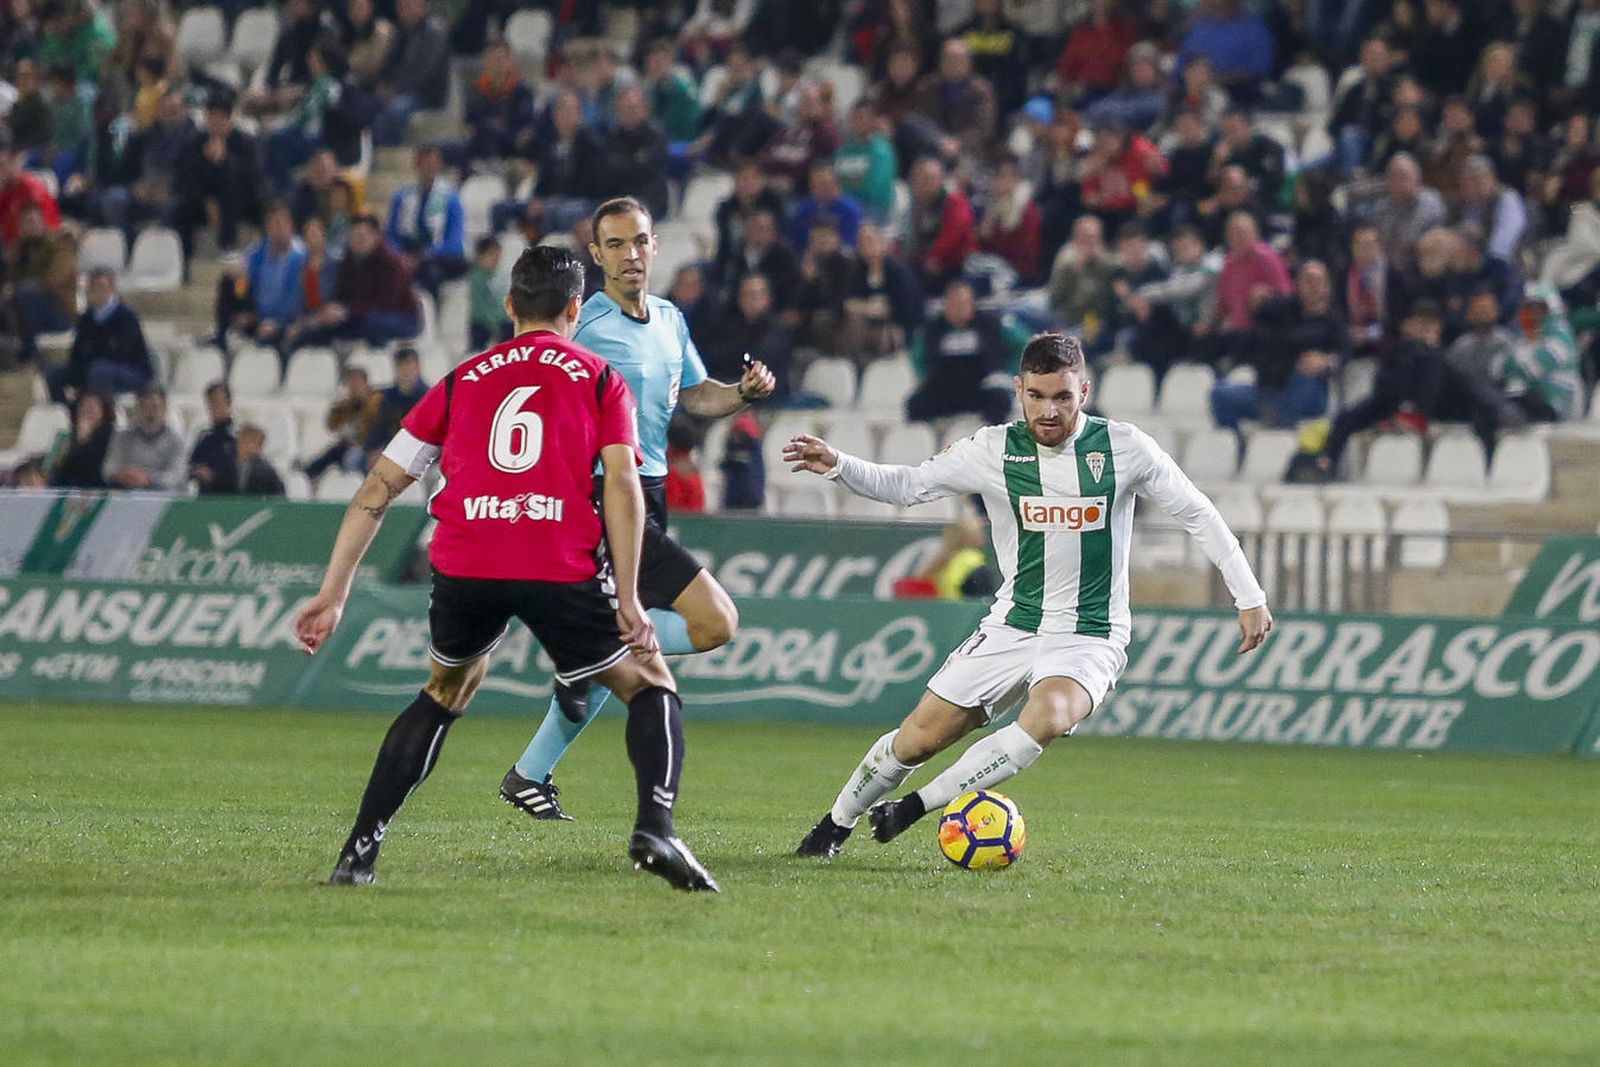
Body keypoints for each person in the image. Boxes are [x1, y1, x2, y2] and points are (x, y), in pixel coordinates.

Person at [298, 245, 720, 892]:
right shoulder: (599, 377)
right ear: (577, 308)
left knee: (445, 690)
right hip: (556, 557)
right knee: (649, 682)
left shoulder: (461, 379)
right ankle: (655, 828)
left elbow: (376, 489)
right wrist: (630, 595)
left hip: (468, 560)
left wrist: (332, 593)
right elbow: (623, 485)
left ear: (509, 305)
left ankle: (358, 851)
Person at [788, 332, 1272, 858]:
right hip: (1012, 625)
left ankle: (914, 808)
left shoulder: (1124, 447)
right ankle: (835, 825)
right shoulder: (992, 450)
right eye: (1037, 396)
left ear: (1083, 392)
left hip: (1091, 633)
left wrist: (1248, 594)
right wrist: (838, 463)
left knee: (1049, 717)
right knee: (916, 740)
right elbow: (908, 486)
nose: (1049, 410)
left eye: (1062, 397)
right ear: (1020, 390)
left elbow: (1198, 512)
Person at [498, 196, 776, 823]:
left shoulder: (671, 320)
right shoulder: (585, 327)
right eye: (617, 245)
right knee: (715, 623)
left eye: (641, 242)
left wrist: (744, 394)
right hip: (603, 498)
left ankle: (530, 772)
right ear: (596, 255)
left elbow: (697, 397)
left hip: (648, 492)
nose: (631, 254)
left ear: (655, 246)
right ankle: (594, 655)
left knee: (627, 642)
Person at [1211, 260, 1346, 431]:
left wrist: (1327, 361)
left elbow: (1344, 353)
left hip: (1305, 388)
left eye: (1318, 281)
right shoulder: (1283, 308)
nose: (1313, 286)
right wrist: (1254, 300)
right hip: (1268, 388)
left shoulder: (1334, 320)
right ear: (1298, 283)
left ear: (1327, 286)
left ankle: (1277, 427)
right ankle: (1238, 446)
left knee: (1298, 389)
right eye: (1308, 280)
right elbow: (1256, 310)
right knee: (1221, 394)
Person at [294, 214, 420, 348]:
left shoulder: (391, 263)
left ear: (375, 236)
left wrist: (348, 311)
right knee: (321, 327)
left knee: (371, 323)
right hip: (360, 314)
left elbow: (385, 303)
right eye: (352, 237)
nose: (356, 242)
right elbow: (343, 294)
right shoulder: (349, 260)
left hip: (401, 317)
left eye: (361, 237)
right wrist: (333, 311)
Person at [906, 279, 1013, 424]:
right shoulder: (932, 329)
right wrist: (925, 377)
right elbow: (917, 356)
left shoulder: (991, 325)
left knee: (1000, 400)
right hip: (945, 388)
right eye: (954, 304)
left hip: (981, 386)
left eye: (963, 304)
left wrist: (1007, 372)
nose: (959, 309)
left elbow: (1023, 346)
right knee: (915, 404)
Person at [48, 269, 153, 404]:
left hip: (131, 370)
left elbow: (123, 352)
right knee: (55, 375)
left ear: (112, 290)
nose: (98, 292)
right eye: (93, 288)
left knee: (99, 370)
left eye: (102, 287)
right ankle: (68, 412)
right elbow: (77, 353)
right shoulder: (86, 318)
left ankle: (102, 412)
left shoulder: (126, 317)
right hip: (93, 367)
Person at [385, 144, 467, 298]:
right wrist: (400, 256)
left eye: (433, 163)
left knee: (430, 272)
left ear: (440, 165)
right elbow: (392, 235)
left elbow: (454, 241)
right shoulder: (402, 198)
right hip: (408, 253)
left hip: (439, 258)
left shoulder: (451, 200)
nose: (429, 167)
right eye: (424, 163)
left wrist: (423, 257)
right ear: (416, 165)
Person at [302, 364, 381, 482]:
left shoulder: (376, 402)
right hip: (350, 445)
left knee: (352, 457)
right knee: (334, 452)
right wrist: (342, 406)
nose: (354, 388)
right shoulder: (347, 405)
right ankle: (306, 476)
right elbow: (332, 426)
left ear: (366, 384)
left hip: (371, 448)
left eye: (357, 383)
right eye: (351, 384)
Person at [103, 385, 186, 492]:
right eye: (144, 407)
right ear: (136, 408)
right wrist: (124, 475)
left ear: (165, 408)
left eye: (155, 407)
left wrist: (148, 479)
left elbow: (177, 476)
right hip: (125, 495)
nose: (149, 413)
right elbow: (108, 470)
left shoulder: (177, 441)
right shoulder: (122, 437)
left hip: (164, 500)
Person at [363, 346, 429, 459]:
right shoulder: (389, 396)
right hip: (391, 449)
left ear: (418, 368)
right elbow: (379, 426)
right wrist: (373, 448)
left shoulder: (428, 397)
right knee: (357, 457)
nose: (405, 372)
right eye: (401, 367)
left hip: (419, 453)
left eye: (409, 366)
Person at [47, 391, 115, 489]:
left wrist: (83, 441)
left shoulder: (111, 436)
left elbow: (96, 469)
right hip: (65, 490)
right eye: (83, 406)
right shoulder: (65, 437)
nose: (88, 410)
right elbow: (52, 470)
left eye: (93, 407)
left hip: (96, 490)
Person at [189, 381, 239, 495]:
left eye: (219, 402)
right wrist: (199, 471)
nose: (215, 407)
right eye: (212, 403)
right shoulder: (204, 436)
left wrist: (216, 476)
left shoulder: (237, 438)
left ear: (229, 403)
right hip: (206, 498)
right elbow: (190, 465)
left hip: (232, 498)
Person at [468, 236, 510, 350]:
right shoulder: (476, 278)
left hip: (504, 323)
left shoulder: (504, 276)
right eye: (491, 254)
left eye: (498, 254)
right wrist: (495, 329)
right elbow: (482, 307)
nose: (495, 258)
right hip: (482, 324)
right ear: (480, 256)